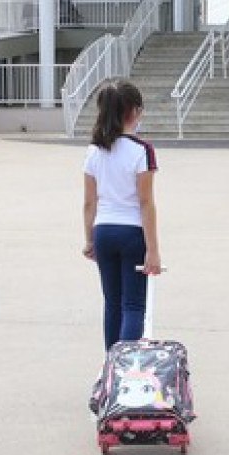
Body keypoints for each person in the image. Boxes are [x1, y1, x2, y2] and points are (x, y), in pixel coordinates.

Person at [82, 80, 163, 351]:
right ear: (134, 112)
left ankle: (110, 365)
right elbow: (146, 203)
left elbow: (89, 203)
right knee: (133, 305)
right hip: (131, 234)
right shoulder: (142, 150)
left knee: (112, 303)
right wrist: (153, 250)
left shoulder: (94, 150)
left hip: (103, 231)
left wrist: (89, 239)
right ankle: (126, 366)